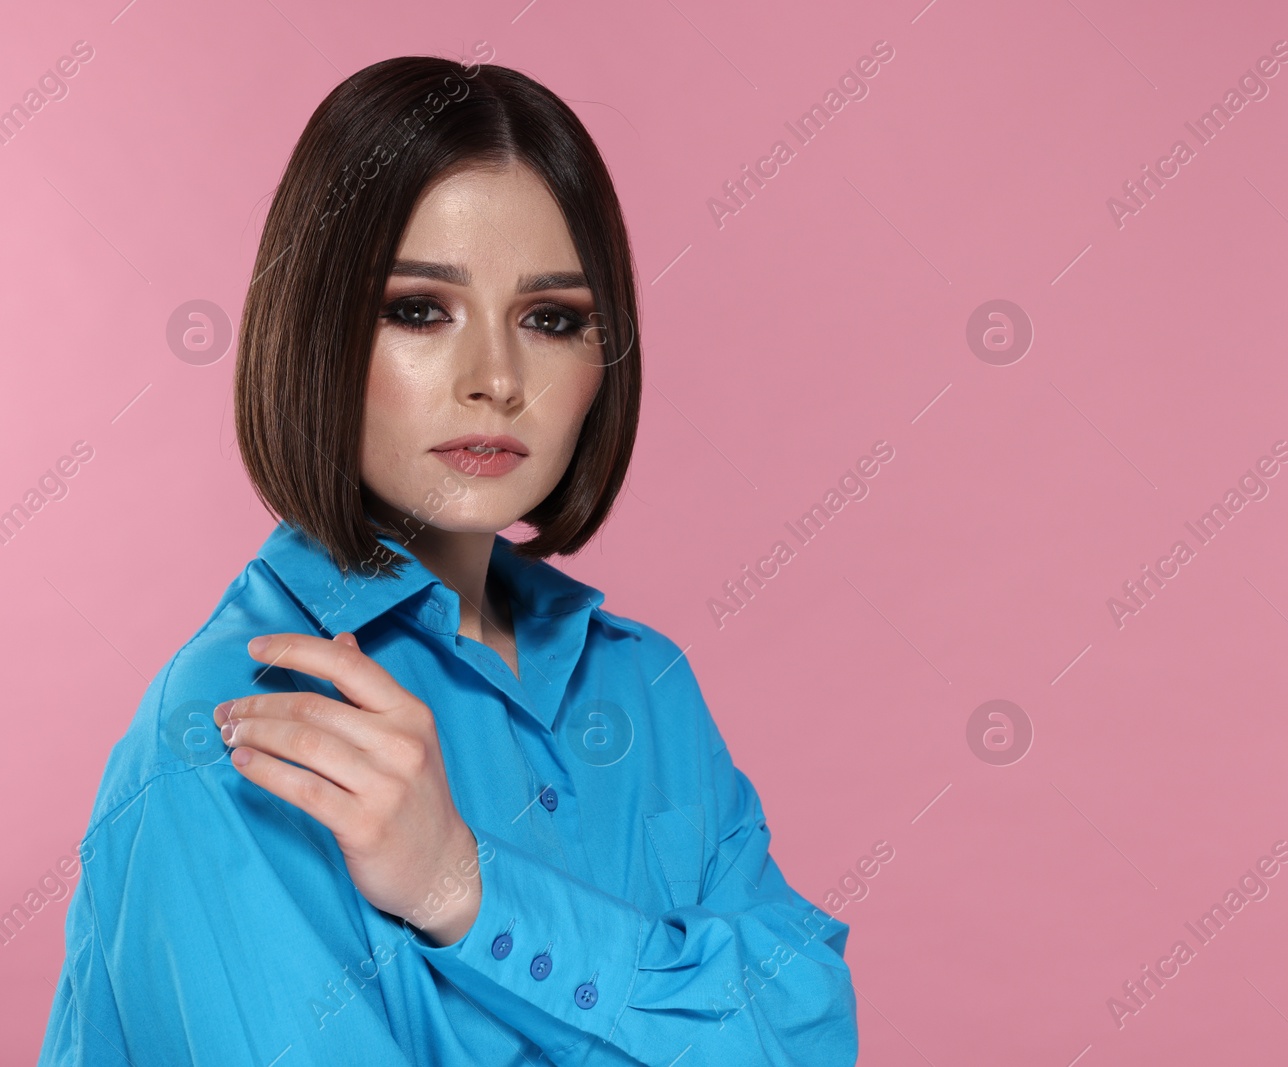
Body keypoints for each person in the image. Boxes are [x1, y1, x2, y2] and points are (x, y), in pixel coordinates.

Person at [37, 52, 857, 1066]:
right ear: (315, 330)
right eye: (419, 309)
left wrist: (462, 890)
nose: (496, 379)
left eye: (550, 319)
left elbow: (808, 1026)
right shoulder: (235, 729)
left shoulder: (646, 686)